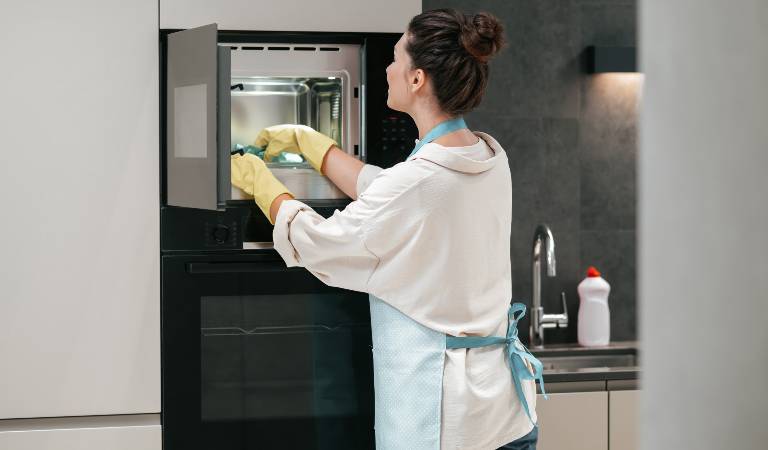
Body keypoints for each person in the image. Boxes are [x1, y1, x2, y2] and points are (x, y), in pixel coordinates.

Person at [230, 8, 546, 450]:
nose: (387, 66)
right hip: (508, 415)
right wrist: (313, 145)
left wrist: (262, 184)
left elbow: (322, 242)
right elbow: (394, 196)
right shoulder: (489, 156)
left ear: (417, 79)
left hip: (446, 428)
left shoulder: (417, 183)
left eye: (396, 56)